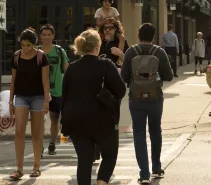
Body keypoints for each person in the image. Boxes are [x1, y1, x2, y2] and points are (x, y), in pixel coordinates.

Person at [61, 29, 126, 185]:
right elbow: (121, 90)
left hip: (76, 120)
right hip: (102, 119)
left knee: (84, 159)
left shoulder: (72, 68)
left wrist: (63, 120)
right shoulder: (105, 64)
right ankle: (101, 182)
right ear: (98, 45)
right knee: (109, 155)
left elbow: (65, 96)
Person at [121, 23, 174, 184]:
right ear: (153, 36)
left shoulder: (131, 52)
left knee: (138, 133)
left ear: (138, 35)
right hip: (155, 98)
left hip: (136, 98)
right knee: (155, 131)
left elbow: (123, 77)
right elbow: (169, 76)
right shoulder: (159, 52)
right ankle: (156, 167)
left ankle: (144, 173)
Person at [8, 29, 50, 180]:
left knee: (36, 133)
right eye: (23, 45)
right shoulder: (16, 57)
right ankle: (19, 169)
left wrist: (46, 101)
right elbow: (13, 80)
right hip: (21, 97)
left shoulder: (41, 57)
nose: (25, 48)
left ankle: (36, 166)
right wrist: (10, 101)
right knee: (19, 131)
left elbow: (45, 81)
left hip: (38, 97)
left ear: (34, 44)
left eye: (29, 45)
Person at [37, 24, 69, 156]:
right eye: (44, 35)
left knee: (54, 119)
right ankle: (39, 147)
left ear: (53, 36)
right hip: (39, 92)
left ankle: (52, 143)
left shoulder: (59, 51)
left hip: (57, 91)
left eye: (49, 35)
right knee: (38, 120)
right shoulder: (36, 52)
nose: (46, 37)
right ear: (40, 36)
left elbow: (67, 70)